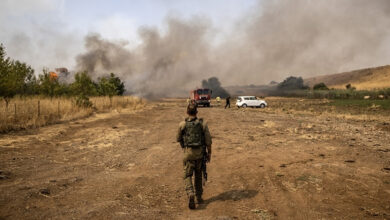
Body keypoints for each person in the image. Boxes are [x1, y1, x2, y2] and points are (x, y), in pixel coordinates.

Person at [177, 104, 212, 209]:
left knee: (187, 175)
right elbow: (208, 142)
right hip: (200, 154)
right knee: (198, 176)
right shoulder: (203, 124)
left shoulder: (182, 124)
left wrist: (184, 148)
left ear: (187, 112)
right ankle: (199, 198)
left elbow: (178, 139)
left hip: (188, 154)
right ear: (197, 112)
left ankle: (190, 192)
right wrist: (209, 153)